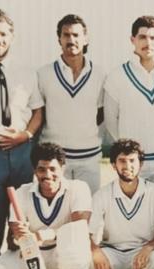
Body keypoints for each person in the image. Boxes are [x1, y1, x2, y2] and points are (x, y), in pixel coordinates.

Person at [0, 9, 44, 262]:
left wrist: (26, 134)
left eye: (4, 34)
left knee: (23, 216)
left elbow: (38, 111)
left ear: (12, 36)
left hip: (22, 152)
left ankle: (25, 263)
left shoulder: (26, 71)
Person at [104, 16, 154, 199]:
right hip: (133, 160)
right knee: (135, 211)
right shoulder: (117, 76)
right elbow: (111, 120)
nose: (147, 42)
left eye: (153, 38)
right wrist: (128, 150)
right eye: (142, 37)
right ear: (133, 40)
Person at [0, 143, 92, 269]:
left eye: (53, 169)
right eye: (41, 169)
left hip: (64, 253)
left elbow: (78, 228)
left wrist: (42, 235)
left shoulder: (78, 188)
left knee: (75, 250)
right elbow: (11, 242)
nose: (47, 175)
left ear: (62, 169)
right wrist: (18, 236)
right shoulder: (21, 192)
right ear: (34, 171)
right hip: (32, 252)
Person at [37, 14, 105, 193]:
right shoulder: (43, 74)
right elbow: (39, 114)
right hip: (55, 159)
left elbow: (101, 113)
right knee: (56, 215)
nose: (71, 40)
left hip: (89, 158)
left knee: (88, 213)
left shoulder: (100, 74)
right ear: (59, 39)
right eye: (66, 35)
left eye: (76, 35)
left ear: (85, 38)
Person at [89, 139, 154, 269]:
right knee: (89, 260)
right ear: (114, 165)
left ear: (141, 164)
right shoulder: (102, 194)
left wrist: (149, 247)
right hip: (112, 251)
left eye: (132, 160)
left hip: (142, 249)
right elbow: (87, 234)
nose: (127, 165)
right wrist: (96, 251)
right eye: (122, 161)